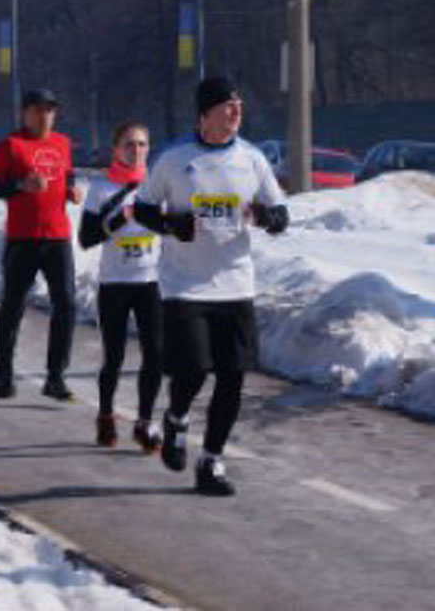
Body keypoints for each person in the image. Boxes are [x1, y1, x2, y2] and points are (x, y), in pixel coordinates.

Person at [134, 76, 288, 497]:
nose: (235, 111)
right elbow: (143, 209)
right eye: (226, 105)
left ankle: (211, 461)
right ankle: (177, 417)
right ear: (204, 114)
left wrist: (264, 216)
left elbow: (281, 215)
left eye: (238, 104)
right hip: (185, 284)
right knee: (195, 367)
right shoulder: (173, 159)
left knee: (234, 376)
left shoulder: (252, 159)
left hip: (235, 284)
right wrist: (173, 224)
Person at [0, 88, 84, 402]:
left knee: (66, 304)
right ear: (25, 113)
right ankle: (5, 370)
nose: (44, 116)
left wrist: (71, 190)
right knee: (14, 305)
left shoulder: (63, 143)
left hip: (58, 236)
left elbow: (67, 173)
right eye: (38, 110)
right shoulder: (11, 145)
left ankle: (55, 377)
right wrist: (19, 185)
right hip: (23, 238)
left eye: (50, 111)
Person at [79, 122, 163, 451]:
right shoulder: (100, 188)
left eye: (142, 144)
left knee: (155, 355)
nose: (137, 150)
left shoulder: (156, 186)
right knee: (114, 356)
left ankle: (144, 423)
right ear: (116, 149)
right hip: (114, 284)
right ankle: (106, 416)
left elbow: (169, 227)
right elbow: (85, 239)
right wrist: (117, 221)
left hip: (150, 282)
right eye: (129, 144)